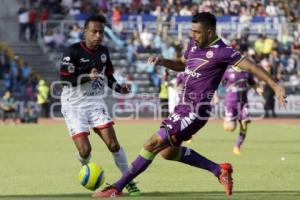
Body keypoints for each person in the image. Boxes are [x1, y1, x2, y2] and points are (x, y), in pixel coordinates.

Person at [93, 12, 287, 198]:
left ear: (210, 32)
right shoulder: (194, 46)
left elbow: (252, 66)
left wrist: (275, 86)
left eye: (197, 32)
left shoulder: (223, 51)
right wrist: (163, 61)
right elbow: (181, 63)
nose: (192, 35)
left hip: (196, 110)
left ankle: (117, 188)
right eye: (191, 31)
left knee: (152, 143)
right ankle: (219, 170)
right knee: (168, 152)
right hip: (182, 107)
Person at [59, 15, 140, 196]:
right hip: (73, 105)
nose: (98, 35)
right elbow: (64, 79)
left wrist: (120, 88)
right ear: (85, 32)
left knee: (113, 144)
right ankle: (85, 167)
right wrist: (88, 76)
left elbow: (109, 76)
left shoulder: (103, 52)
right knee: (85, 150)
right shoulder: (72, 52)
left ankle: (129, 181)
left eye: (101, 32)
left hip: (95, 102)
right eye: (94, 31)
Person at [219, 66, 262, 155]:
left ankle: (237, 147)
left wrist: (258, 89)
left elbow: (253, 83)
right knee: (231, 128)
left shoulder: (246, 72)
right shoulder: (228, 72)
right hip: (231, 102)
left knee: (244, 123)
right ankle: (227, 120)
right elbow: (218, 82)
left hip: (243, 103)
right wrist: (215, 95)